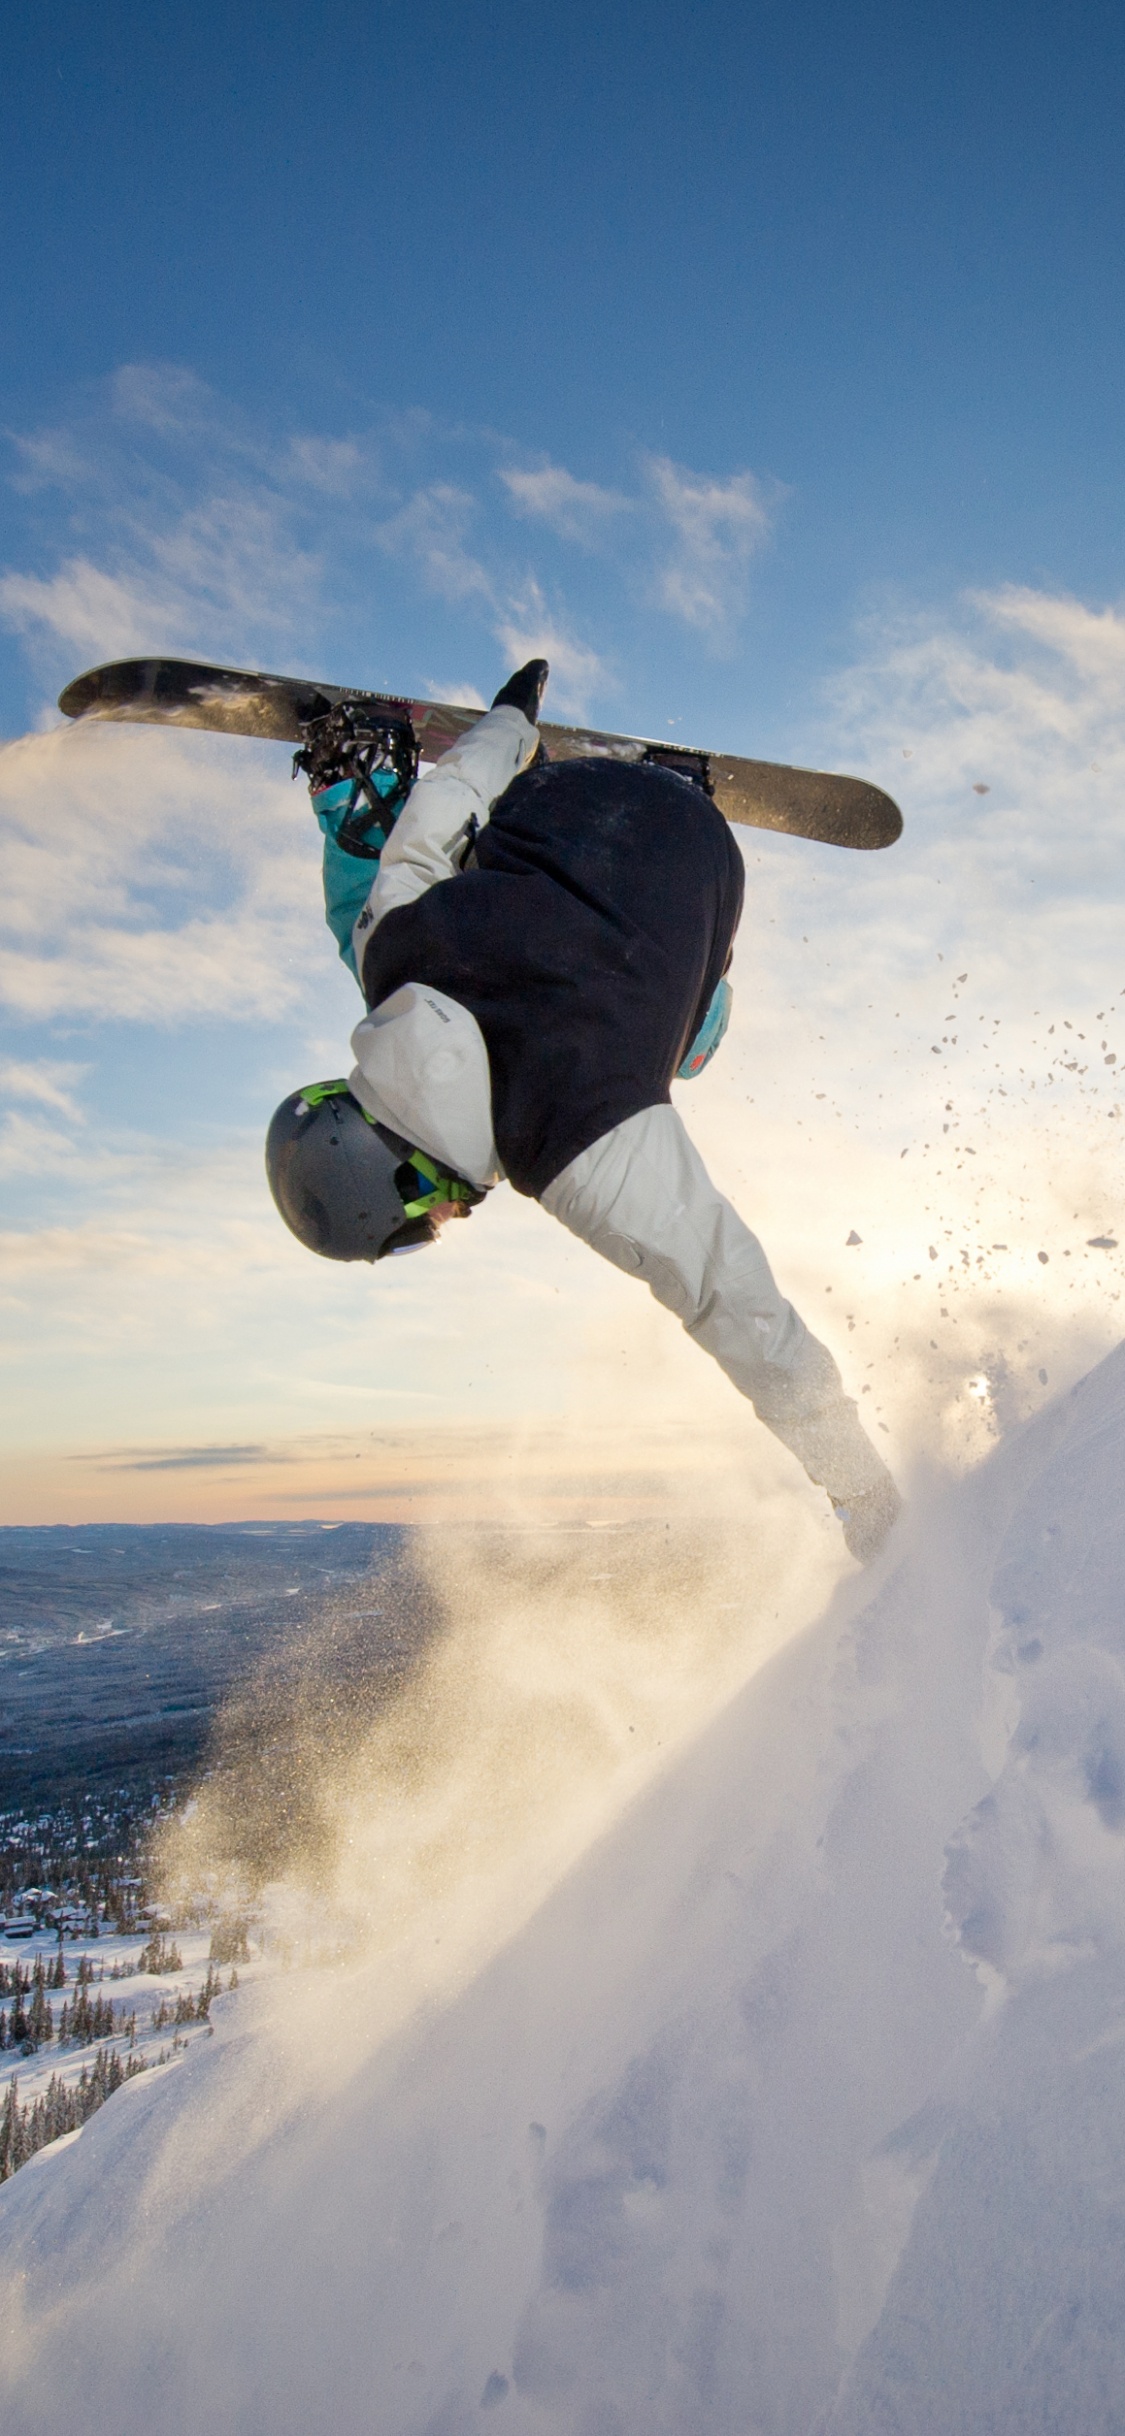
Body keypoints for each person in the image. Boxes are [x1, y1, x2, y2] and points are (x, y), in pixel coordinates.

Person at [266, 661, 901, 1561]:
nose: (445, 1225)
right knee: (369, 912)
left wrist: (860, 1487)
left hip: (698, 842)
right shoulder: (391, 959)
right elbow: (435, 823)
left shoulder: (577, 1146)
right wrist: (510, 724)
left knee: (688, 1047)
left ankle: (679, 792)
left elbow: (740, 1307)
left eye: (419, 1226)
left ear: (404, 1176)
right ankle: (357, 772)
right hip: (566, 794)